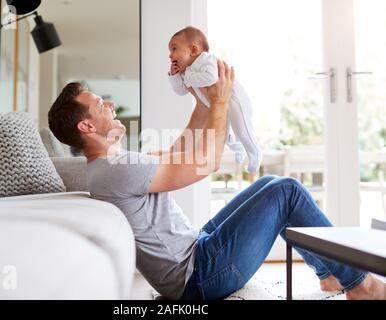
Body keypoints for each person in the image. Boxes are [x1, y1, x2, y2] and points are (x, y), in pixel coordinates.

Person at [48, 61, 385, 300]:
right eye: (98, 104)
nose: (108, 103)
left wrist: (200, 100)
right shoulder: (116, 169)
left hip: (197, 248)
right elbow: (204, 163)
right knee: (287, 191)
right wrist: (221, 101)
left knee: (270, 184)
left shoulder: (112, 165)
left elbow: (180, 150)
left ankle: (328, 275)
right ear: (86, 128)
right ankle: (361, 285)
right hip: (200, 278)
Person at [168, 26, 262, 173]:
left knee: (242, 130)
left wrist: (187, 78)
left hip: (236, 101)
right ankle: (239, 150)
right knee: (228, 135)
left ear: (193, 50)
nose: (170, 55)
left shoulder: (206, 60)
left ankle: (255, 154)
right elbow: (181, 91)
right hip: (217, 104)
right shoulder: (186, 71)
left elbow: (210, 77)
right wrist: (174, 77)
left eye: (174, 49)